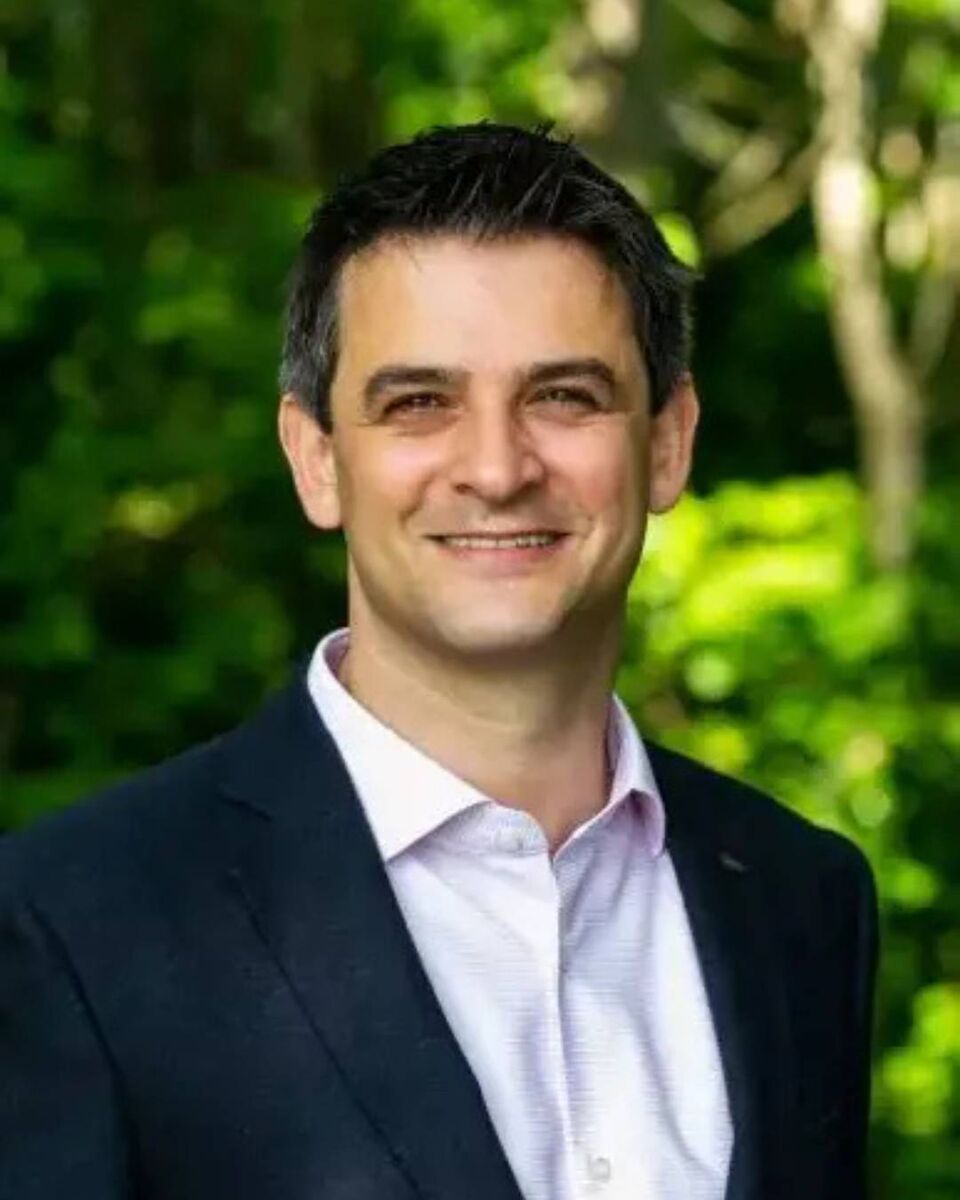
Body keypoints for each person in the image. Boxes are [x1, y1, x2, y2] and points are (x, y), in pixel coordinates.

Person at [0, 123, 877, 1200]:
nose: (497, 469)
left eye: (564, 395)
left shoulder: (802, 901)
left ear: (667, 442)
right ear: (317, 459)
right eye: (419, 403)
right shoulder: (76, 926)